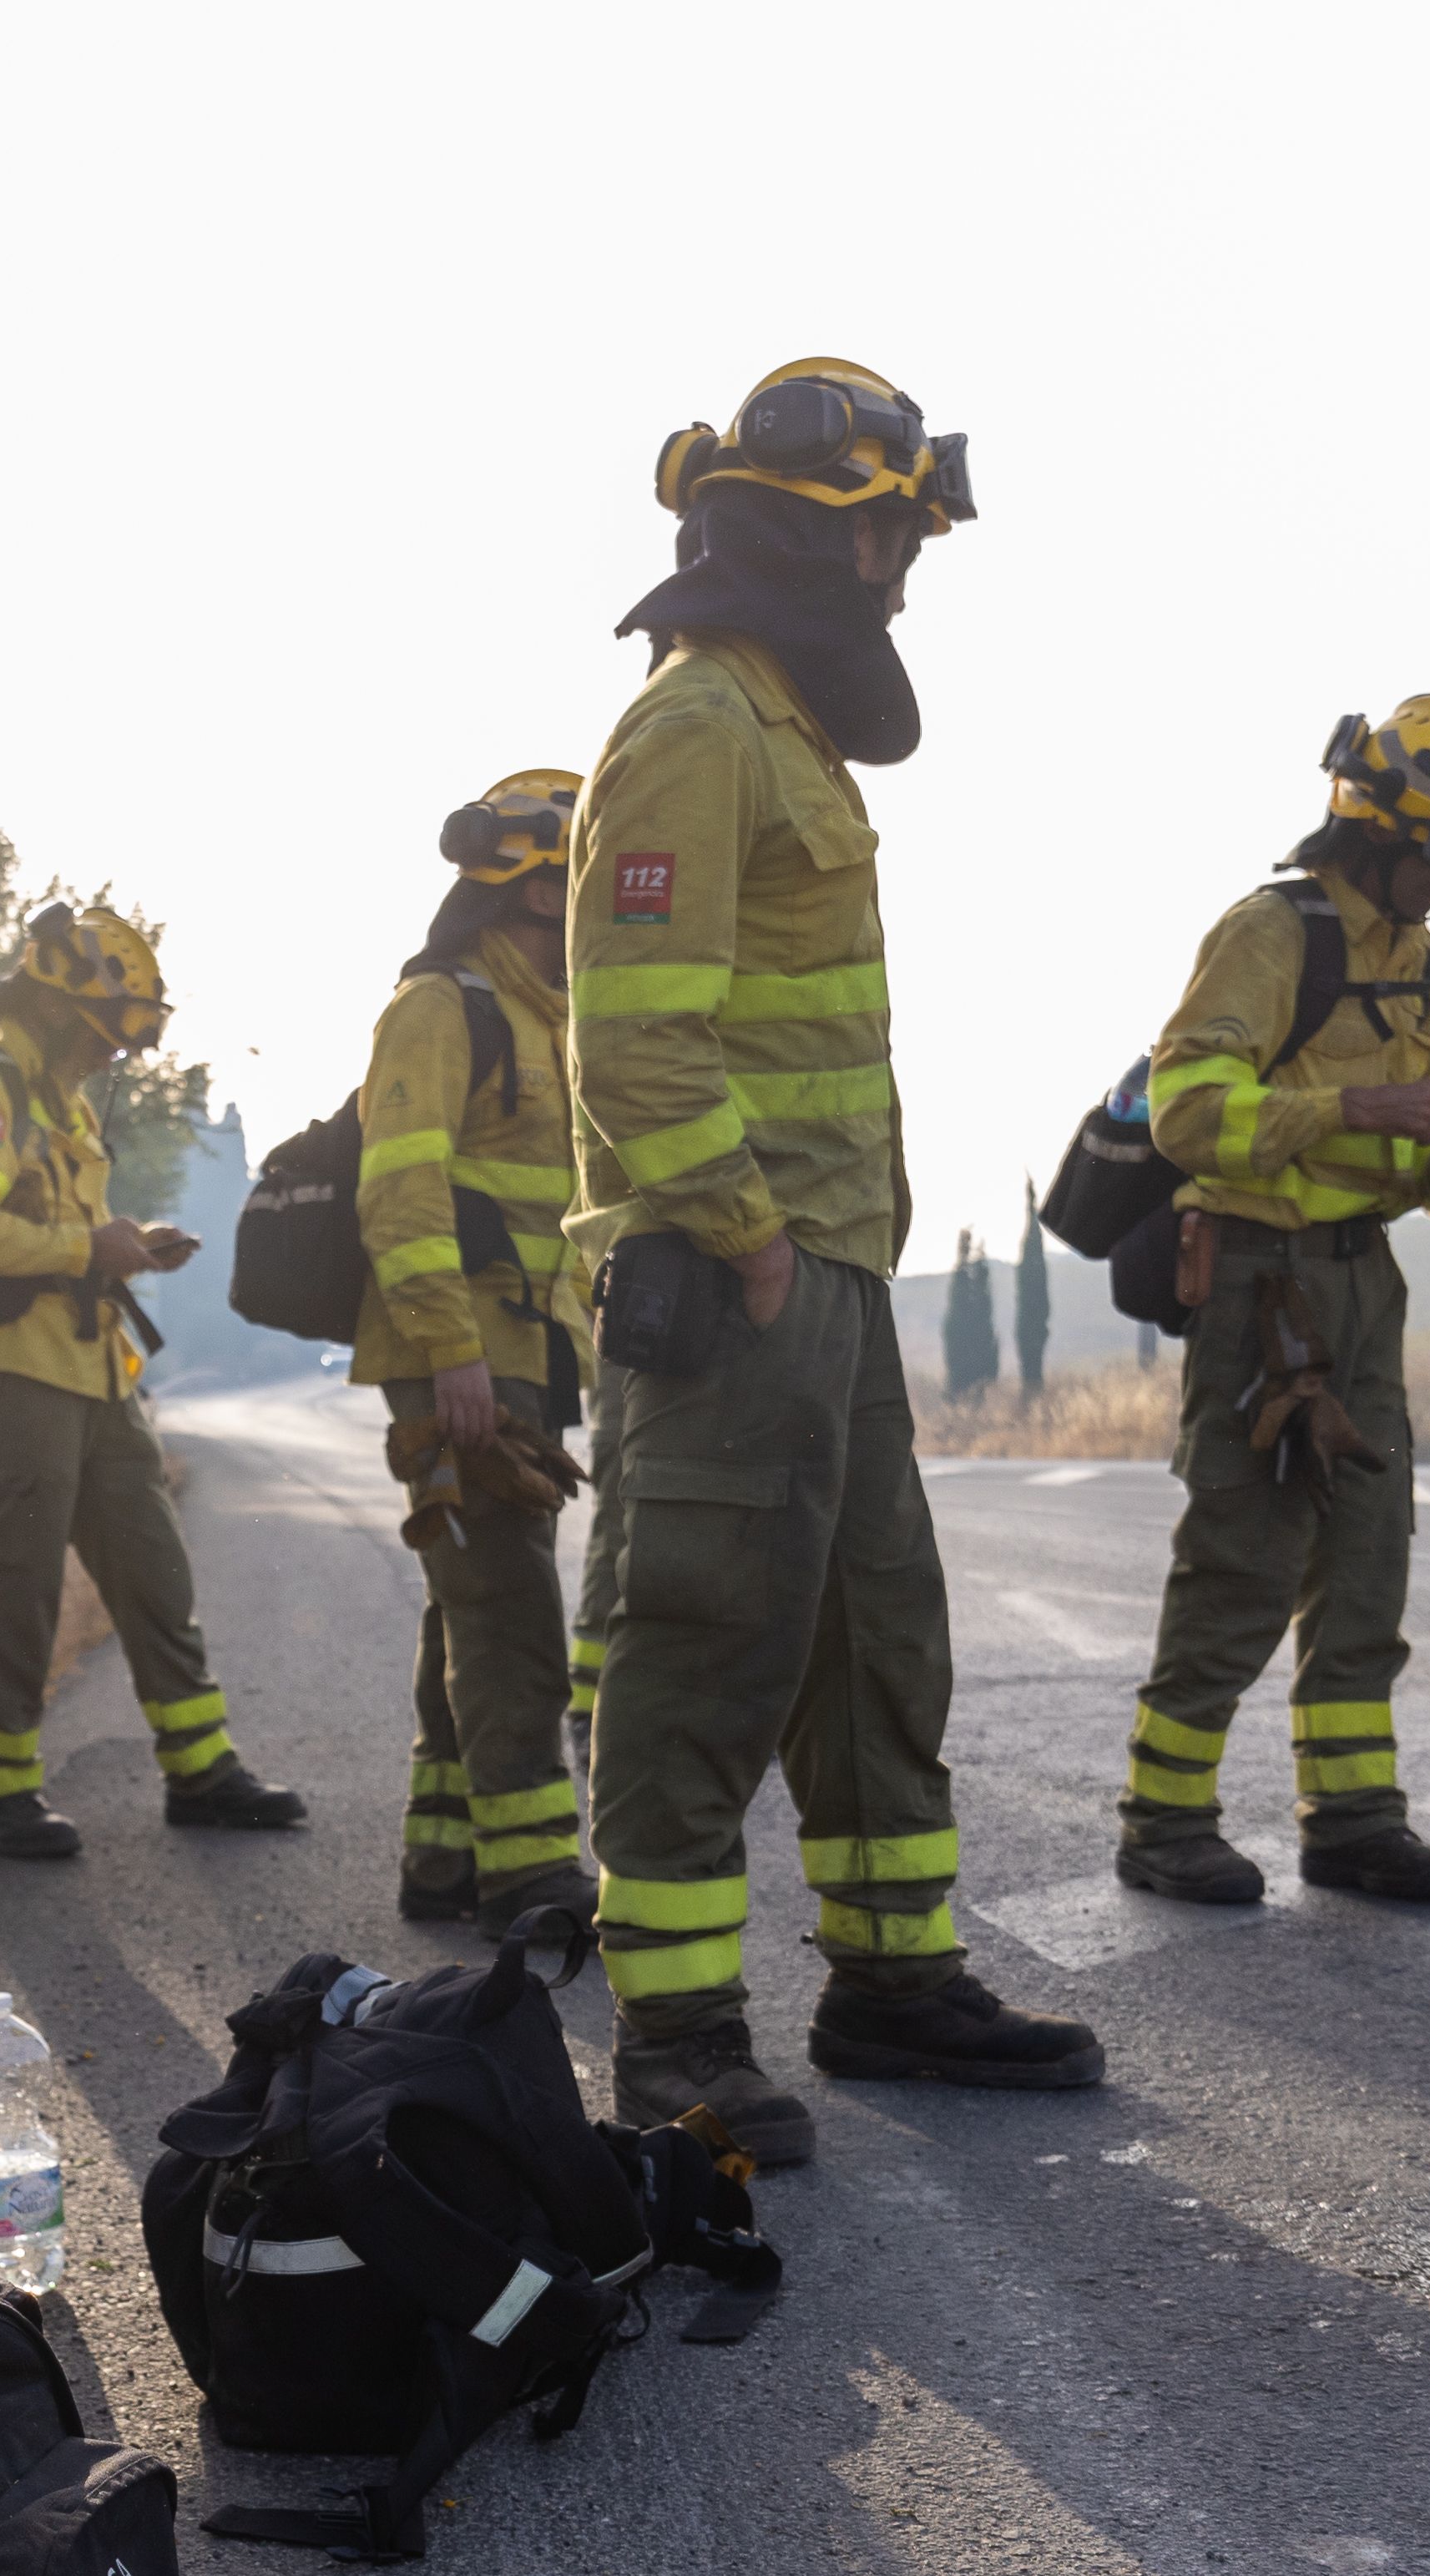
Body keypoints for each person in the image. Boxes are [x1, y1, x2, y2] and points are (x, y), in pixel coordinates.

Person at [565, 357, 1102, 2169]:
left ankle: (893, 1981)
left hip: (830, 1271)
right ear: (820, 528)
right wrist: (751, 1241)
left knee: (878, 1639)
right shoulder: (699, 722)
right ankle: (678, 2041)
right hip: (743, 1279)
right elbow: (637, 1039)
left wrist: (822, 1263)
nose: (901, 580)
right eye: (890, 540)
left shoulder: (778, 725)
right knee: (704, 1640)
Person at [1114, 698, 1430, 1906]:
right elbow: (1185, 1112)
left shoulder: (1426, 967)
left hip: (1359, 1284)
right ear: (1377, 828)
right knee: (1242, 1557)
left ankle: (1351, 1820)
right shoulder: (1271, 932)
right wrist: (1349, 1111)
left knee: (1366, 1557)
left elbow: (1399, 1160)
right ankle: (1164, 1818)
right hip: (1254, 1282)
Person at [0, 902, 305, 1858]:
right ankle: (0, 1796)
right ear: (51, 1004)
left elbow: (63, 1234)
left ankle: (201, 1769)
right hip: (11, 1369)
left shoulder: (62, 1102)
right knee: (18, 1583)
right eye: (100, 1032)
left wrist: (129, 1249)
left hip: (94, 1370)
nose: (110, 1055)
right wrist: (93, 1245)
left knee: (154, 1569)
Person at [356, 770, 594, 1936]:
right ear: (535, 894)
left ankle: (444, 1860)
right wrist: (452, 1356)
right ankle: (534, 1878)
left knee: (470, 1606)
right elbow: (400, 1196)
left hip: (529, 1355)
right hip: (464, 1358)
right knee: (510, 1620)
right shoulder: (444, 1008)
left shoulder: (547, 1020)